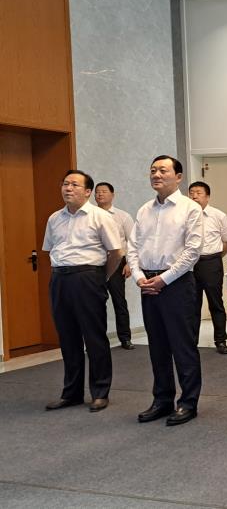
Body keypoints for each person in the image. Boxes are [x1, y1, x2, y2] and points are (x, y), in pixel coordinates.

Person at [128, 155, 203, 426]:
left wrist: (165, 278)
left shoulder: (190, 208)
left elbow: (193, 251)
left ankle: (188, 402)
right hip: (148, 284)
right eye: (153, 170)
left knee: (182, 346)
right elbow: (132, 247)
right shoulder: (144, 210)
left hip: (177, 284)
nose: (156, 175)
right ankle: (162, 400)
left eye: (163, 170)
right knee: (157, 346)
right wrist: (139, 277)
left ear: (178, 177)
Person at [43, 170, 122, 413]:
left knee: (94, 336)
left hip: (88, 277)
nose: (68, 188)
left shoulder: (100, 216)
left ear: (88, 191)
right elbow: (50, 250)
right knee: (67, 337)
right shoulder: (54, 218)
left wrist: (101, 278)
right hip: (60, 278)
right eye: (65, 184)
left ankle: (100, 392)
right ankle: (72, 393)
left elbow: (116, 252)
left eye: (74, 185)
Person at [188, 181, 227, 354]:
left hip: (211, 263)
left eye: (198, 193)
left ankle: (220, 340)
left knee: (215, 303)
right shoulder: (185, 215)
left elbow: (226, 242)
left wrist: (214, 258)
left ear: (207, 196)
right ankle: (192, 341)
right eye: (191, 192)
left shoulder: (218, 215)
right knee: (192, 304)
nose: (194, 196)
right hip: (190, 264)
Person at [94, 181, 135, 350]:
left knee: (119, 301)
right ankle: (97, 340)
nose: (100, 194)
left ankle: (125, 338)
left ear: (112, 195)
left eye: (104, 191)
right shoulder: (90, 215)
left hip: (117, 262)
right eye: (97, 192)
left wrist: (130, 263)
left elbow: (132, 242)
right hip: (95, 264)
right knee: (96, 303)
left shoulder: (123, 216)